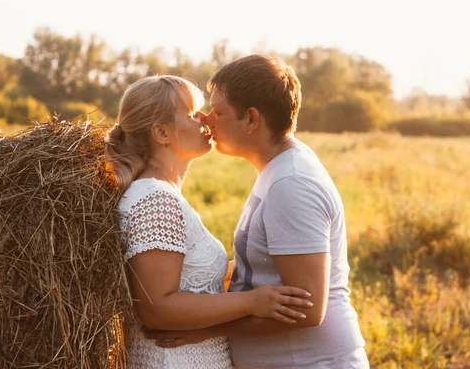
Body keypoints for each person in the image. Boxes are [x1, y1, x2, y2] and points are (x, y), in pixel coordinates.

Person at [145, 56, 369, 368]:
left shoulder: (291, 183)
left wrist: (207, 329)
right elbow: (267, 265)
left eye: (218, 111)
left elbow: (307, 308)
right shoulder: (277, 170)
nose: (207, 119)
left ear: (251, 119)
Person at [104, 75, 313, 368]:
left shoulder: (164, 195)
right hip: (172, 360)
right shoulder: (154, 198)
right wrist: (252, 302)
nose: (204, 118)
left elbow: (183, 279)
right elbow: (157, 308)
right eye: (192, 114)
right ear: (162, 132)